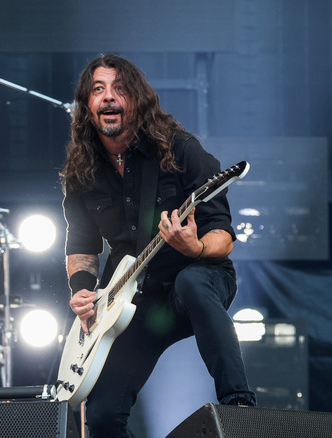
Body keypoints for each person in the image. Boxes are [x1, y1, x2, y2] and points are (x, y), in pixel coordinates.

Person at [61, 54, 256, 437]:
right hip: (132, 302)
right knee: (101, 418)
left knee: (193, 282)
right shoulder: (82, 173)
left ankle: (239, 409)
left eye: (119, 89)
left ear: (137, 99)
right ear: (86, 104)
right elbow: (81, 245)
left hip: (199, 280)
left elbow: (223, 236)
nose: (109, 98)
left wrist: (194, 249)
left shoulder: (181, 151)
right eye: (98, 90)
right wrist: (82, 291)